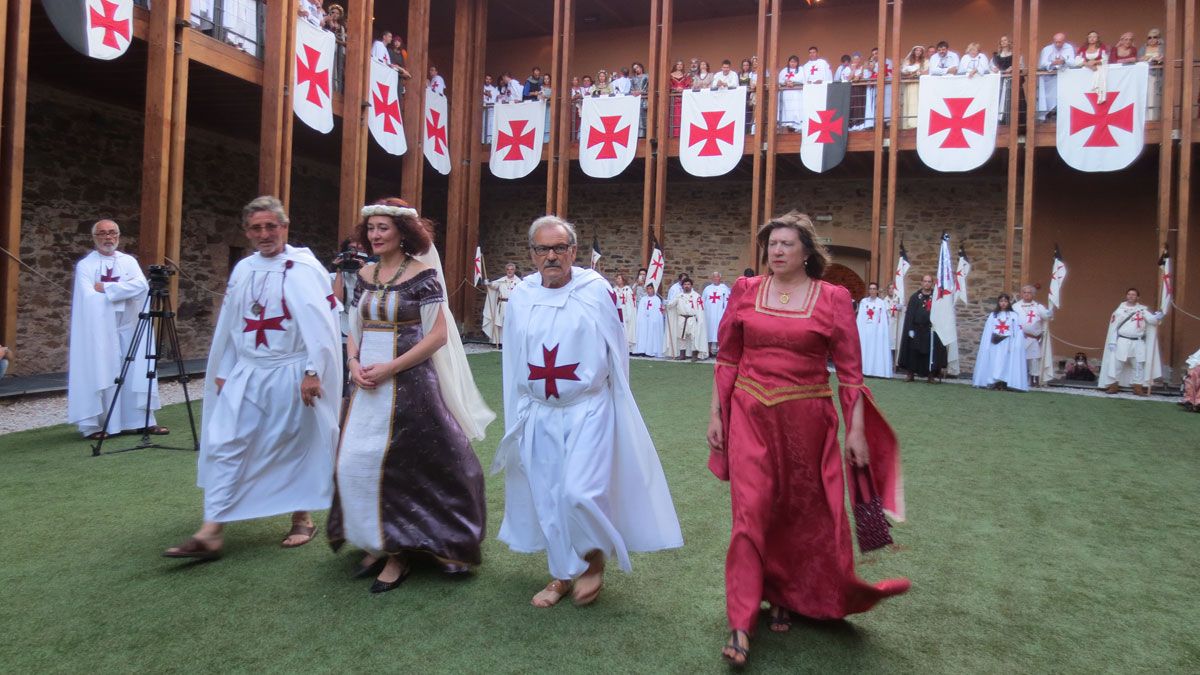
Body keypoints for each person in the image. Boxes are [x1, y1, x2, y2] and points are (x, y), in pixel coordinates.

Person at [706, 212, 908, 668]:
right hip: (749, 414)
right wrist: (717, 414)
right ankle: (740, 621)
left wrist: (856, 428)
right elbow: (727, 357)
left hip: (809, 421)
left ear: (807, 252)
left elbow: (851, 374)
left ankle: (783, 593)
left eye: (786, 245)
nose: (776, 251)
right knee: (750, 512)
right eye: (772, 244)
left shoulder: (833, 298)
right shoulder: (745, 291)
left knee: (800, 513)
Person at [494, 215, 683, 608]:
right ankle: (562, 573)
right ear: (531, 255)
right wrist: (517, 413)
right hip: (539, 412)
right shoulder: (523, 296)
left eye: (559, 248)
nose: (551, 256)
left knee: (581, 492)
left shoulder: (594, 290)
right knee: (549, 498)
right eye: (543, 249)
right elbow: (512, 358)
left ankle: (594, 562)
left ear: (574, 252)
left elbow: (616, 350)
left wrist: (616, 404)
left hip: (588, 409)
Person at [327, 198, 493, 592]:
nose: (375, 235)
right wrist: (352, 363)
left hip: (410, 384)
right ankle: (374, 538)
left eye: (383, 228)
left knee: (402, 465)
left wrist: (390, 367)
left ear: (403, 232)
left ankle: (398, 553)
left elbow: (437, 335)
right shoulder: (365, 273)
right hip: (365, 382)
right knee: (353, 461)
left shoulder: (424, 275)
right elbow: (354, 326)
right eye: (371, 229)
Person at [164, 196, 340, 560]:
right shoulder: (243, 269)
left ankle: (302, 516)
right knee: (225, 442)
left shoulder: (304, 267)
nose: (264, 234)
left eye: (270, 226)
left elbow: (321, 326)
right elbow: (232, 325)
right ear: (246, 232)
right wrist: (225, 371)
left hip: (290, 370)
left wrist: (312, 371)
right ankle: (211, 530)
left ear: (284, 227)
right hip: (247, 370)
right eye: (256, 228)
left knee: (291, 443)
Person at [68, 219, 164, 440]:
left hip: (129, 326)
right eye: (102, 233)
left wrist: (107, 288)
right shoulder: (86, 266)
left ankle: (141, 422)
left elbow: (141, 286)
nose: (107, 237)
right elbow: (89, 298)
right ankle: (98, 425)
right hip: (101, 330)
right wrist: (122, 291)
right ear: (95, 237)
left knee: (135, 371)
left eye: (112, 232)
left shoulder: (128, 262)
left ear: (119, 236)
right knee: (104, 372)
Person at [1098, 288, 1162, 396]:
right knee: (1117, 364)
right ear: (1126, 296)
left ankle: (1137, 387)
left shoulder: (1142, 310)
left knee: (1138, 365)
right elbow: (1114, 328)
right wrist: (1113, 341)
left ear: (1138, 297)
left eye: (1133, 295)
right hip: (1122, 340)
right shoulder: (1119, 310)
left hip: (1137, 342)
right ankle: (1113, 385)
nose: (1131, 296)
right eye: (1129, 294)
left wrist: (1158, 316)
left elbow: (1152, 321)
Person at [971, 293, 1027, 391]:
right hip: (995, 343)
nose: (1003, 303)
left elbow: (1017, 331)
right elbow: (988, 330)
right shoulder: (993, 315)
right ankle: (993, 381)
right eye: (1001, 301)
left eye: (1005, 301)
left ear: (1008, 302)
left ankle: (1004, 382)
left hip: (1007, 343)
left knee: (1006, 362)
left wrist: (1015, 343)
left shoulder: (1014, 315)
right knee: (995, 362)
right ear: (998, 302)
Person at [897, 274, 947, 382]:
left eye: (929, 281)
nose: (927, 283)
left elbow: (940, 313)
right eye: (925, 281)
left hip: (930, 329)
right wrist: (910, 329)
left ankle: (931, 375)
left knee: (931, 352)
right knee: (913, 351)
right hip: (916, 329)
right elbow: (910, 314)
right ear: (921, 282)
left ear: (932, 283)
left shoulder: (936, 297)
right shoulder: (915, 297)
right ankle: (910, 374)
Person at [1012, 285, 1054, 387]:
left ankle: (1034, 378)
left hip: (1033, 338)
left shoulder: (1038, 306)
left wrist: (1050, 311)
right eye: (1024, 292)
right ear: (1021, 294)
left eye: (1029, 292)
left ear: (1033, 294)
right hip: (1019, 337)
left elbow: (1046, 316)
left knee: (1033, 359)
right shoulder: (1015, 306)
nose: (1026, 294)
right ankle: (1018, 378)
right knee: (1018, 358)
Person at [665, 277, 708, 361]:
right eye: (685, 284)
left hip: (692, 319)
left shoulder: (696, 296)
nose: (686, 286)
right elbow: (671, 304)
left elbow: (700, 309)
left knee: (694, 336)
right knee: (681, 337)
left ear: (691, 286)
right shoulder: (679, 296)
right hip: (681, 318)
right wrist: (666, 304)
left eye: (688, 284)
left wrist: (699, 320)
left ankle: (694, 355)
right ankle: (682, 355)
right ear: (682, 286)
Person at [857, 282, 893, 379]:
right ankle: (864, 369)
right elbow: (860, 317)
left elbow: (883, 319)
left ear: (877, 291)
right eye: (870, 289)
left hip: (876, 331)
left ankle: (875, 370)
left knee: (875, 350)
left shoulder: (881, 303)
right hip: (865, 330)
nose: (872, 291)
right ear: (868, 290)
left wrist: (880, 331)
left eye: (874, 289)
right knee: (865, 349)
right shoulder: (864, 302)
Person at [1037, 33, 1075, 121]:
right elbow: (1042, 64)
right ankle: (1050, 114)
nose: (1058, 44)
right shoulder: (1047, 49)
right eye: (1056, 42)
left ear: (1064, 41)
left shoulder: (1069, 48)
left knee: (1063, 97)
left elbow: (1073, 62)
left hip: (1065, 78)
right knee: (1050, 98)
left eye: (1060, 42)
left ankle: (1063, 116)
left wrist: (1064, 61)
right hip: (1050, 79)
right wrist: (1052, 63)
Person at [482, 263, 521, 348]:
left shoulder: (518, 282)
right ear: (506, 270)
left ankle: (510, 343)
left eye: (511, 269)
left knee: (511, 324)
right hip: (502, 305)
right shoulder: (501, 281)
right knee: (500, 324)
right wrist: (488, 283)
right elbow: (494, 285)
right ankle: (498, 342)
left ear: (514, 270)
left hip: (512, 305)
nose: (509, 271)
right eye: (508, 269)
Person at [702, 272, 730, 356]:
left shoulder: (724, 288)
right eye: (713, 277)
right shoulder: (707, 289)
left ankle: (720, 351)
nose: (715, 279)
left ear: (720, 278)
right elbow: (702, 300)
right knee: (709, 331)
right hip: (709, 314)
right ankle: (708, 350)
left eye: (717, 277)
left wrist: (726, 312)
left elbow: (728, 301)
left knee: (719, 331)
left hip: (720, 313)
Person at [634, 283, 665, 357]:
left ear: (654, 289)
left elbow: (657, 312)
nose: (649, 290)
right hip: (644, 320)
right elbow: (641, 311)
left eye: (650, 288)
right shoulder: (643, 299)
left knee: (651, 335)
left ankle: (652, 351)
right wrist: (641, 319)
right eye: (647, 289)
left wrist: (653, 320)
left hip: (652, 321)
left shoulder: (657, 299)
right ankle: (642, 350)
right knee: (643, 334)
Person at [900, 45, 927, 129]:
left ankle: (918, 123)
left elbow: (926, 72)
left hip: (919, 84)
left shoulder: (925, 61)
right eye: (916, 50)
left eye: (920, 51)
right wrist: (909, 74)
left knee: (918, 102)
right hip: (909, 84)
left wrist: (916, 73)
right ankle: (908, 123)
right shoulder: (908, 61)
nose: (918, 52)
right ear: (913, 52)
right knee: (909, 102)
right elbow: (903, 71)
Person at [1141, 29, 1165, 121]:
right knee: (1149, 96)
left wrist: (1150, 58)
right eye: (1149, 37)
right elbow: (1140, 58)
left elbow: (1163, 57)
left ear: (1159, 38)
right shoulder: (1143, 48)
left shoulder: (1162, 48)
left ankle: (1158, 118)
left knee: (1159, 97)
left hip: (1160, 75)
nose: (1152, 39)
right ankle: (1150, 118)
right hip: (1148, 74)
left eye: (1154, 37)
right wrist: (1153, 58)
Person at [776, 55, 804, 132]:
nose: (792, 63)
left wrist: (794, 82)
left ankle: (797, 127)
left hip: (797, 93)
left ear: (797, 63)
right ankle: (789, 126)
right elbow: (779, 80)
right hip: (787, 94)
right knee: (788, 111)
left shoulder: (801, 70)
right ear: (789, 62)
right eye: (791, 61)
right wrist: (786, 82)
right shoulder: (784, 70)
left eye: (794, 62)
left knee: (796, 109)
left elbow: (803, 79)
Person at [613, 273, 638, 352]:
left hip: (626, 311)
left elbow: (631, 302)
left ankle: (627, 347)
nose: (618, 280)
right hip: (617, 311)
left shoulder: (628, 289)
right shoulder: (614, 290)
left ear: (623, 280)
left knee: (627, 328)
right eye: (617, 278)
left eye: (619, 278)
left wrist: (629, 313)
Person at [669, 60, 692, 137]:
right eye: (678, 64)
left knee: (683, 115)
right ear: (675, 65)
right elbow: (668, 86)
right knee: (674, 116)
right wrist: (675, 89)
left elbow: (688, 85)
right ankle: (675, 134)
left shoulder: (686, 75)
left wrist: (683, 89)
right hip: (674, 98)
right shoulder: (670, 75)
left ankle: (683, 134)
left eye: (681, 64)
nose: (679, 66)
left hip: (683, 98)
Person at [482, 74, 500, 142]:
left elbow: (494, 99)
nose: (488, 80)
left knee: (490, 126)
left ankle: (489, 141)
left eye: (489, 79)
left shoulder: (493, 89)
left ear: (491, 80)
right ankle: (483, 141)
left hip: (490, 110)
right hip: (483, 109)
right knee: (483, 125)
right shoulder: (481, 87)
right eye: (487, 79)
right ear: (484, 79)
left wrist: (490, 95)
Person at [1181, 347, 1200, 412]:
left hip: (1195, 366)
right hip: (1196, 366)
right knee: (1191, 381)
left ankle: (1192, 402)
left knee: (1191, 382)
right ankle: (1191, 402)